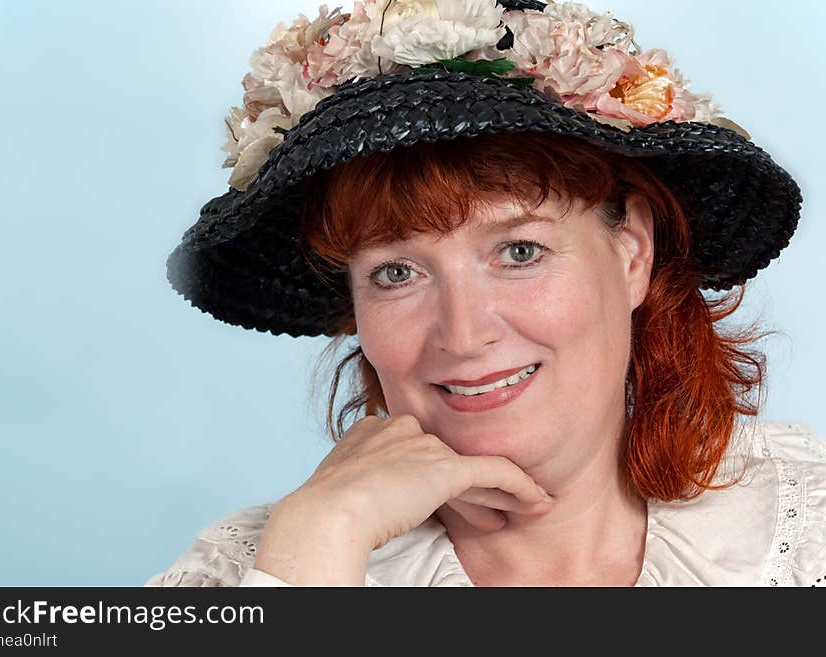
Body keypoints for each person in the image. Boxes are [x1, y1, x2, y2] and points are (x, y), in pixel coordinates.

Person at [146, 0, 825, 587]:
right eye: (396, 272)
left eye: (519, 251)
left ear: (632, 253)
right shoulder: (262, 567)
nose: (464, 334)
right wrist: (322, 540)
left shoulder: (805, 524)